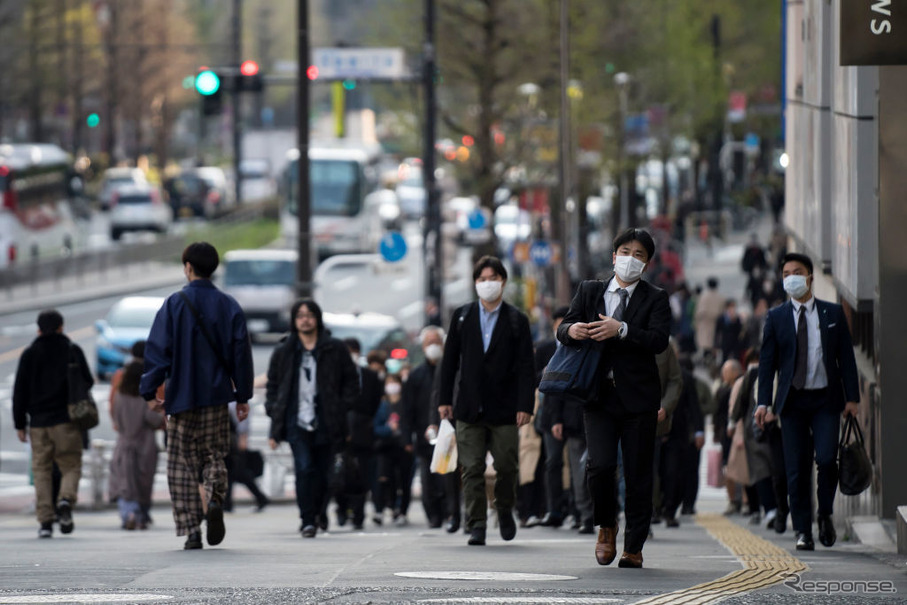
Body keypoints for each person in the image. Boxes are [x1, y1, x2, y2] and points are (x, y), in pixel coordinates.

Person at [557, 228, 671, 569]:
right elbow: (565, 326)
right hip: (598, 396)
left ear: (647, 263)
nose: (630, 258)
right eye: (625, 251)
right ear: (613, 256)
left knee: (638, 473)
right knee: (601, 466)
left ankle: (633, 545)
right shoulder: (590, 291)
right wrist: (572, 331)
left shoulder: (656, 297)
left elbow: (658, 340)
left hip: (639, 399)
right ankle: (606, 525)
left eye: (638, 254)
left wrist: (620, 330)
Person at [140, 242, 254, 550]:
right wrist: (242, 395)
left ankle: (192, 529)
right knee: (212, 454)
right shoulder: (229, 305)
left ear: (187, 266)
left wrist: (149, 391)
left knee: (180, 463)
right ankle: (215, 496)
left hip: (180, 398)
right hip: (216, 397)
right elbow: (240, 354)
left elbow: (157, 352)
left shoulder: (174, 304)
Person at [755, 252, 860, 551]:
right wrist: (764, 403)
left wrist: (852, 398)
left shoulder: (833, 314)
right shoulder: (775, 318)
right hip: (792, 403)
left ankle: (824, 511)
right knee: (796, 469)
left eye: (797, 272)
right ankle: (803, 530)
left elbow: (847, 360)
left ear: (810, 276)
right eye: (786, 273)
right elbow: (766, 365)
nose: (791, 278)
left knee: (827, 460)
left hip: (826, 400)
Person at [438, 255, 535, 546]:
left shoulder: (517, 320)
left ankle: (504, 509)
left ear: (503, 281)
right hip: (468, 407)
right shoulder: (462, 316)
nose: (487, 284)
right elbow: (449, 361)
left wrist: (525, 405)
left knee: (507, 466)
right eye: (482, 279)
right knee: (471, 468)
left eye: (493, 278)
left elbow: (526, 368)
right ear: (474, 283)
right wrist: (444, 399)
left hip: (505, 408)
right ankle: (476, 523)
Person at [264, 298, 360, 538]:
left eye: (309, 315)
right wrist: (274, 410)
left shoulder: (334, 348)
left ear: (317, 318)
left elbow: (352, 382)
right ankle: (307, 518)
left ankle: (318, 511)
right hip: (296, 420)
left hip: (327, 420)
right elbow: (273, 385)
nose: (305, 320)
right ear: (294, 321)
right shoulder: (284, 351)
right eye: (300, 315)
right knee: (304, 468)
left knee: (324, 471)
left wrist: (341, 407)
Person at [13, 309, 93, 538]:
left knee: (41, 470)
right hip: (67, 420)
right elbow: (86, 380)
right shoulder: (72, 350)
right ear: (61, 326)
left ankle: (45, 522)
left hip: (38, 423)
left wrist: (20, 424)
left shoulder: (29, 354)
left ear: (38, 329)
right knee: (70, 465)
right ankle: (65, 500)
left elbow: (20, 391)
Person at [110, 359, 166, 529]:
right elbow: (153, 420)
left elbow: (115, 418)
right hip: (145, 444)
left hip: (124, 443)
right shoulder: (145, 397)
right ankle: (141, 515)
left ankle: (129, 513)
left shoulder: (119, 395)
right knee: (144, 482)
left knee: (125, 482)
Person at [401, 326, 448, 528]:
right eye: (429, 343)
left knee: (447, 475)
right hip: (423, 434)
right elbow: (406, 409)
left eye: (436, 342)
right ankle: (433, 515)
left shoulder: (450, 370)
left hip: (447, 431)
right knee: (428, 477)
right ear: (422, 346)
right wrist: (406, 437)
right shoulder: (416, 375)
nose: (433, 346)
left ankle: (449, 511)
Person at [336, 338, 383, 530]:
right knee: (342, 475)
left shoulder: (370, 376)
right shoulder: (336, 375)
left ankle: (359, 514)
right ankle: (341, 508)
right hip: (342, 430)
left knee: (363, 475)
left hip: (364, 432)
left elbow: (375, 403)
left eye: (354, 351)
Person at [374, 373, 414, 526]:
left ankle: (402, 510)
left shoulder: (406, 402)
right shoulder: (382, 405)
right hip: (386, 447)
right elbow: (376, 426)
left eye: (394, 382)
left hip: (404, 446)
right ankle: (389, 506)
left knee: (404, 480)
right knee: (386, 478)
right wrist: (388, 429)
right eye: (388, 383)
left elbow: (411, 422)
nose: (392, 386)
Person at [224, 401, 270, 514]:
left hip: (235, 444)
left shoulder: (236, 400)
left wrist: (243, 438)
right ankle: (227, 503)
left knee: (239, 473)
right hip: (229, 443)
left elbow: (242, 420)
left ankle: (261, 498)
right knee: (231, 473)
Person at [714, 359, 744, 515]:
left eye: (726, 372)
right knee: (728, 467)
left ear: (734, 371)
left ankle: (744, 501)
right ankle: (733, 500)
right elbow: (718, 414)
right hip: (727, 434)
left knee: (743, 466)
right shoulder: (723, 390)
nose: (723, 375)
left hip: (739, 432)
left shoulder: (742, 386)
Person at [694, 277, 724, 366]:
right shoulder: (720, 297)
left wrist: (697, 322)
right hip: (716, 323)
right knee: (713, 343)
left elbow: (699, 312)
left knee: (705, 344)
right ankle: (712, 361)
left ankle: (706, 360)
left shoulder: (704, 296)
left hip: (705, 323)